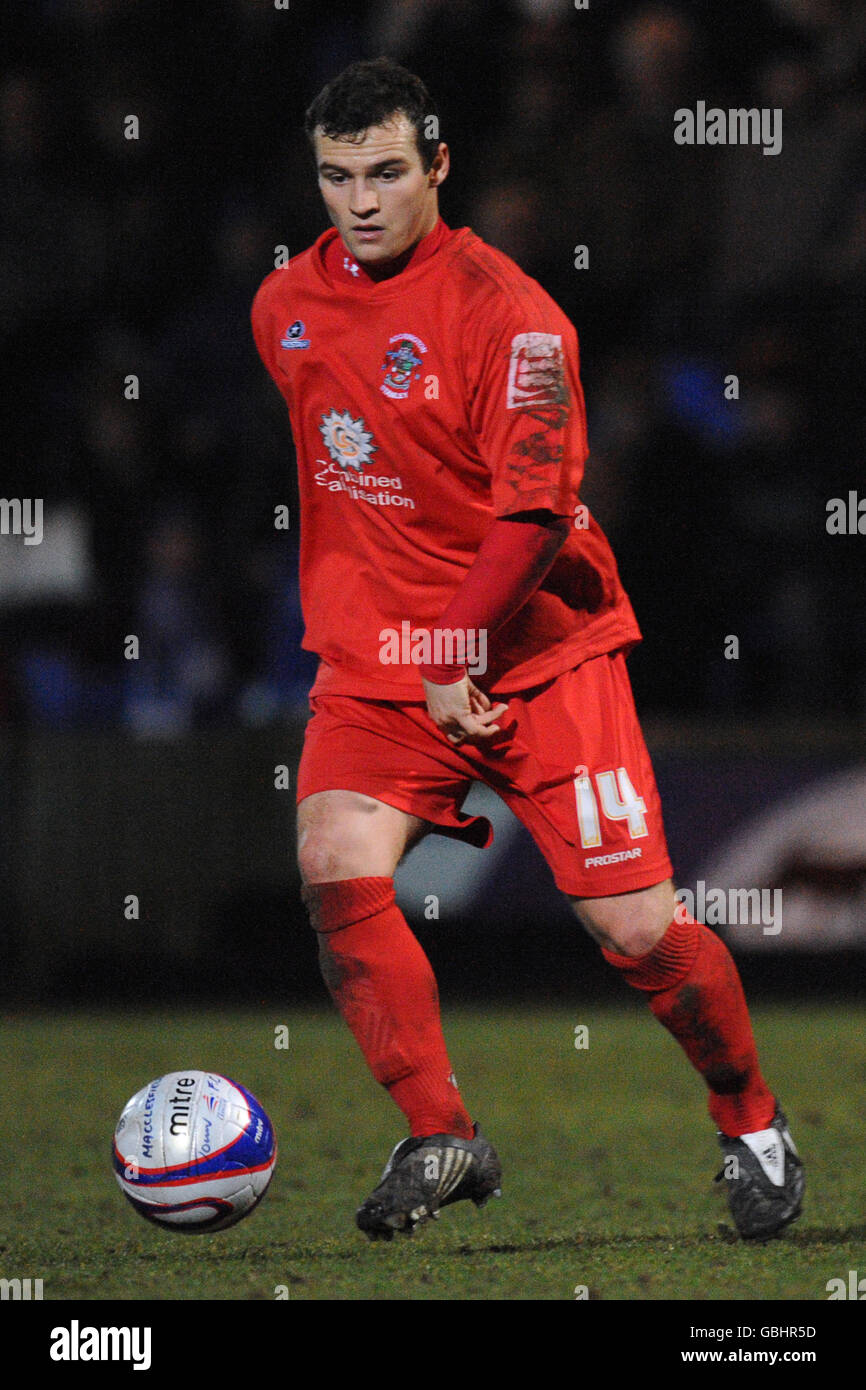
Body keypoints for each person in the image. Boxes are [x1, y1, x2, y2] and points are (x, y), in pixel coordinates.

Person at [251, 57, 803, 1242]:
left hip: (540, 656)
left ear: (438, 166)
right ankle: (440, 1129)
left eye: (387, 172)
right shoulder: (282, 308)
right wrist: (397, 635)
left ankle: (748, 1118)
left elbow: (536, 512)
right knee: (333, 858)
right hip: (379, 663)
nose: (360, 199)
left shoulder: (514, 318)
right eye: (337, 176)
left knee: (636, 933)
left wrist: (458, 639)